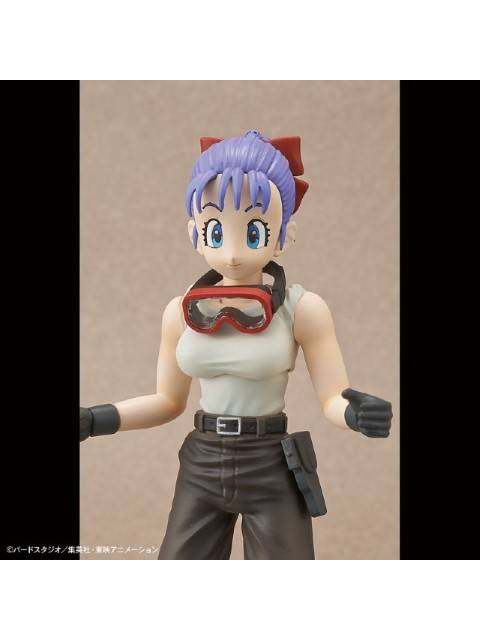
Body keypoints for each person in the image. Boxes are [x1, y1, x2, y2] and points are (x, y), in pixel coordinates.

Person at [80, 130, 392, 559]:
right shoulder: (179, 312)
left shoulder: (302, 310)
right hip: (202, 463)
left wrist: (355, 413)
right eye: (215, 231)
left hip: (271, 464)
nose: (231, 253)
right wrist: (94, 420)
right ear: (194, 232)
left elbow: (331, 397)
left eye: (253, 233)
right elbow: (167, 401)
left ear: (284, 235)